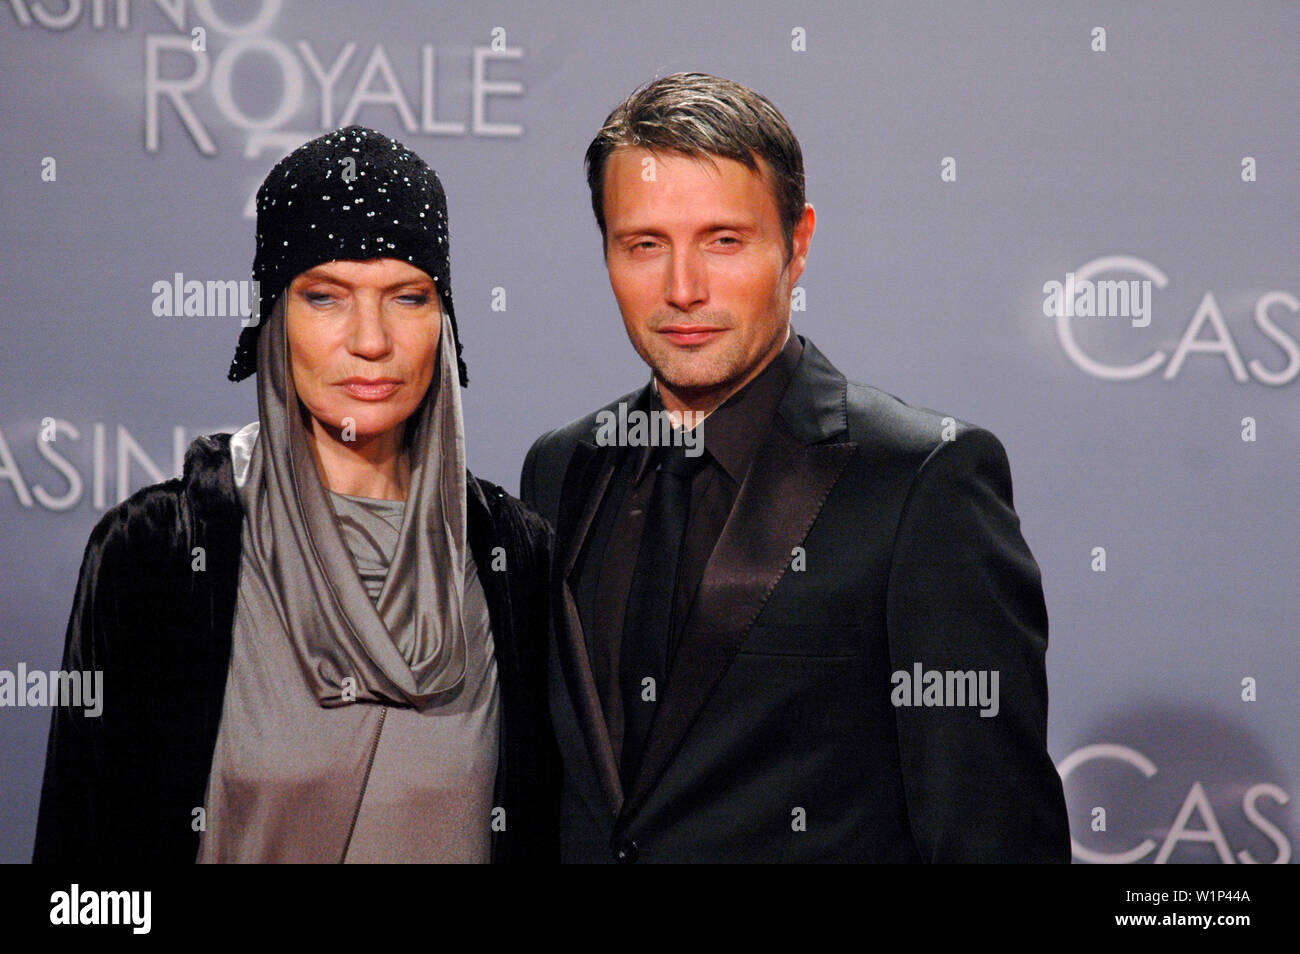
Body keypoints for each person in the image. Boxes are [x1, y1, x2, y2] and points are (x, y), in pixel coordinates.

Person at [521, 73, 1070, 862]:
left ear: (798, 243)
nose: (683, 289)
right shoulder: (563, 469)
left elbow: (992, 835)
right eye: (645, 244)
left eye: (724, 241)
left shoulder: (921, 481)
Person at [34, 125, 558, 863]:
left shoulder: (514, 557)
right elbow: (81, 884)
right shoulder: (157, 553)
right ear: (276, 319)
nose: (370, 339)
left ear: (444, 322)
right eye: (326, 297)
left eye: (407, 297)